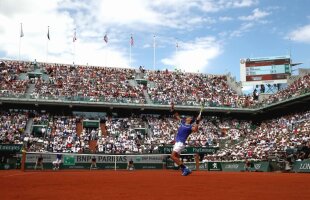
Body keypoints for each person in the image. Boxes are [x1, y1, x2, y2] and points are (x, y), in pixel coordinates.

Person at [170, 102, 201, 176]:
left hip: (180, 142)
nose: (187, 117)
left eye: (189, 117)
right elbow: (176, 115)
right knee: (176, 157)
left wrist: (197, 122)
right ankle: (184, 169)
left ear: (190, 120)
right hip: (178, 142)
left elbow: (196, 130)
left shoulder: (190, 127)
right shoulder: (182, 122)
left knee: (172, 156)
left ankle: (186, 169)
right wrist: (173, 108)